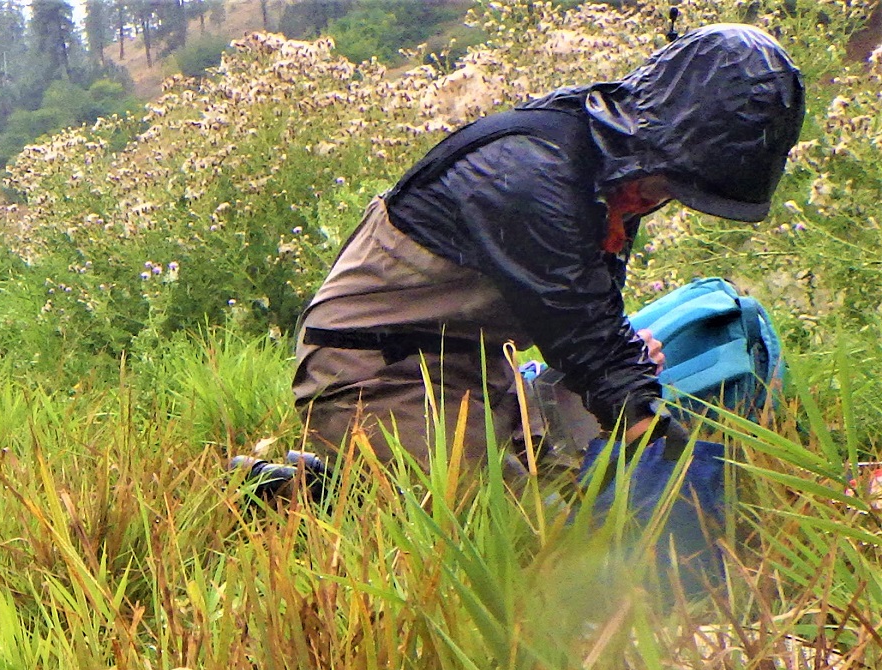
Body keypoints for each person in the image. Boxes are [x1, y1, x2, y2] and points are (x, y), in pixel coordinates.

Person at [290, 24, 804, 475]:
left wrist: (627, 367)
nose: (657, 200)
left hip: (479, 371)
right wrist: (651, 432)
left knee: (576, 473)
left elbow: (592, 320)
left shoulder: (619, 166)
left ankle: (339, 478)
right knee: (527, 537)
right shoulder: (528, 174)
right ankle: (327, 482)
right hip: (374, 374)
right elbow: (581, 329)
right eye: (665, 183)